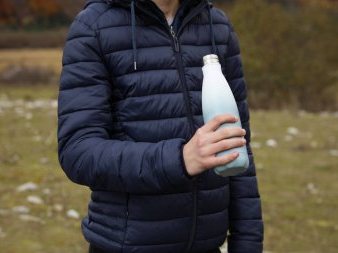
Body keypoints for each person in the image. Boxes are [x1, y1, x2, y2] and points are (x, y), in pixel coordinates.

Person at [57, 0, 264, 252]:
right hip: (126, 246)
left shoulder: (217, 26)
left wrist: (247, 243)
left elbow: (239, 146)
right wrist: (178, 160)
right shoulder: (94, 27)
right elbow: (78, 151)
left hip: (207, 245)